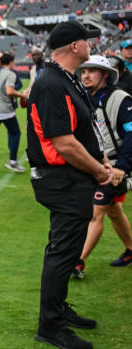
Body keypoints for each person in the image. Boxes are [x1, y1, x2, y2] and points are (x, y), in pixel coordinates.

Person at [27, 21, 113, 349]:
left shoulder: (65, 79)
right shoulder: (51, 83)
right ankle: (50, 326)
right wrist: (101, 171)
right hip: (61, 179)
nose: (90, 45)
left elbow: (83, 131)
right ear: (75, 47)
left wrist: (99, 161)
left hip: (73, 177)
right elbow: (63, 142)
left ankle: (58, 311)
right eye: (86, 41)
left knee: (67, 247)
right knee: (63, 252)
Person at [72, 55, 132, 279]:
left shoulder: (120, 98)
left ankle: (79, 261)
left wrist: (122, 168)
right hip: (98, 165)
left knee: (96, 213)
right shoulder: (87, 97)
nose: (86, 75)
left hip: (115, 167)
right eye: (83, 71)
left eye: (92, 71)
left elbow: (131, 134)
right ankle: (131, 250)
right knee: (114, 212)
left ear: (105, 74)